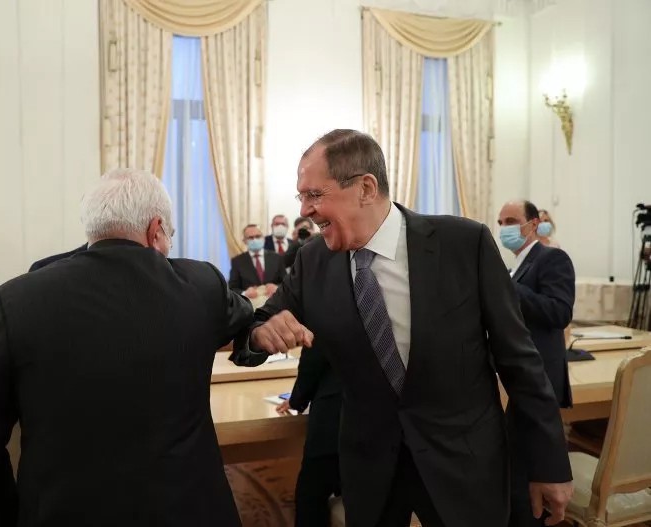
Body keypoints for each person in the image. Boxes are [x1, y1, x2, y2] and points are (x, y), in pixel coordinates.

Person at [232, 129, 573, 527]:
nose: (306, 210)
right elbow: (253, 328)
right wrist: (260, 333)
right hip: (372, 469)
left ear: (365, 188)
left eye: (314, 194)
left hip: (463, 463)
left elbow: (520, 360)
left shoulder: (464, 244)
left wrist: (549, 463)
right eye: (301, 197)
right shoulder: (312, 262)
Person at [0, 168, 254, 527]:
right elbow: (246, 319)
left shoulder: (15, 301)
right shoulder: (202, 284)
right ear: (156, 230)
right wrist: (261, 332)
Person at [497, 199, 576, 527]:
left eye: (511, 221)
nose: (504, 228)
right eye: (500, 223)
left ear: (532, 224)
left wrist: (510, 289)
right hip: (518, 379)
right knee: (518, 468)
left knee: (531, 471)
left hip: (540, 378)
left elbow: (560, 311)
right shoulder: (515, 267)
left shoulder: (552, 258)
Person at [276, 349, 341, 527]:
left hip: (335, 420)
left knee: (311, 497)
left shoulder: (326, 328)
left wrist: (296, 400)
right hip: (382, 422)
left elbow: (312, 363)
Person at [228, 224, 286, 298]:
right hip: (250, 303)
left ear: (263, 238)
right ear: (244, 241)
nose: (254, 240)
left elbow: (286, 282)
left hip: (274, 301)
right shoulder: (237, 261)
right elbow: (232, 288)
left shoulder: (277, 258)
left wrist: (277, 287)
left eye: (258, 236)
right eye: (250, 237)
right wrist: (245, 293)